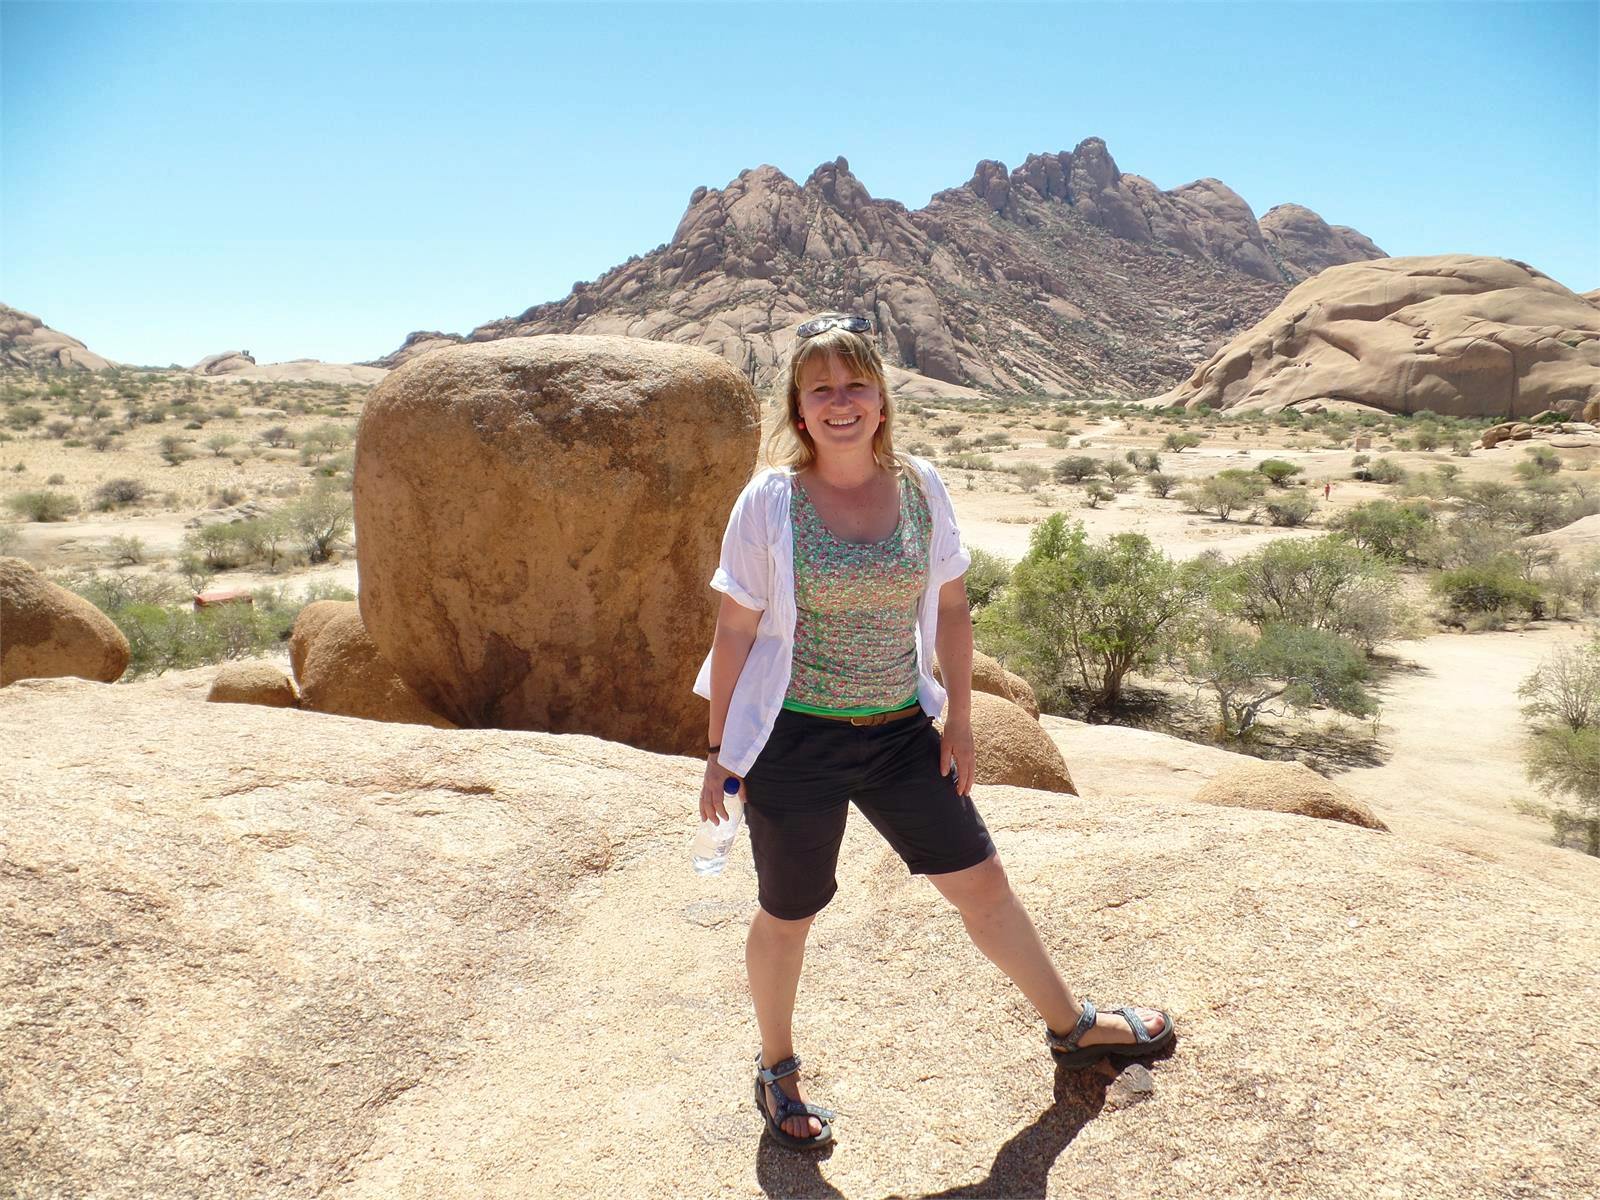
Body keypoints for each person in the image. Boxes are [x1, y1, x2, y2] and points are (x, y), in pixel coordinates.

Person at [693, 313, 1173, 1150]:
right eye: (820, 390)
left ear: (880, 396)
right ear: (799, 410)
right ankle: (777, 1068)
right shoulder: (771, 500)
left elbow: (951, 607)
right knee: (789, 910)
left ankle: (1074, 1025)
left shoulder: (920, 485)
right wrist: (719, 753)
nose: (840, 403)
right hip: (794, 741)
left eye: (855, 385)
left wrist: (956, 718)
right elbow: (735, 629)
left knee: (982, 882)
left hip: (898, 733)